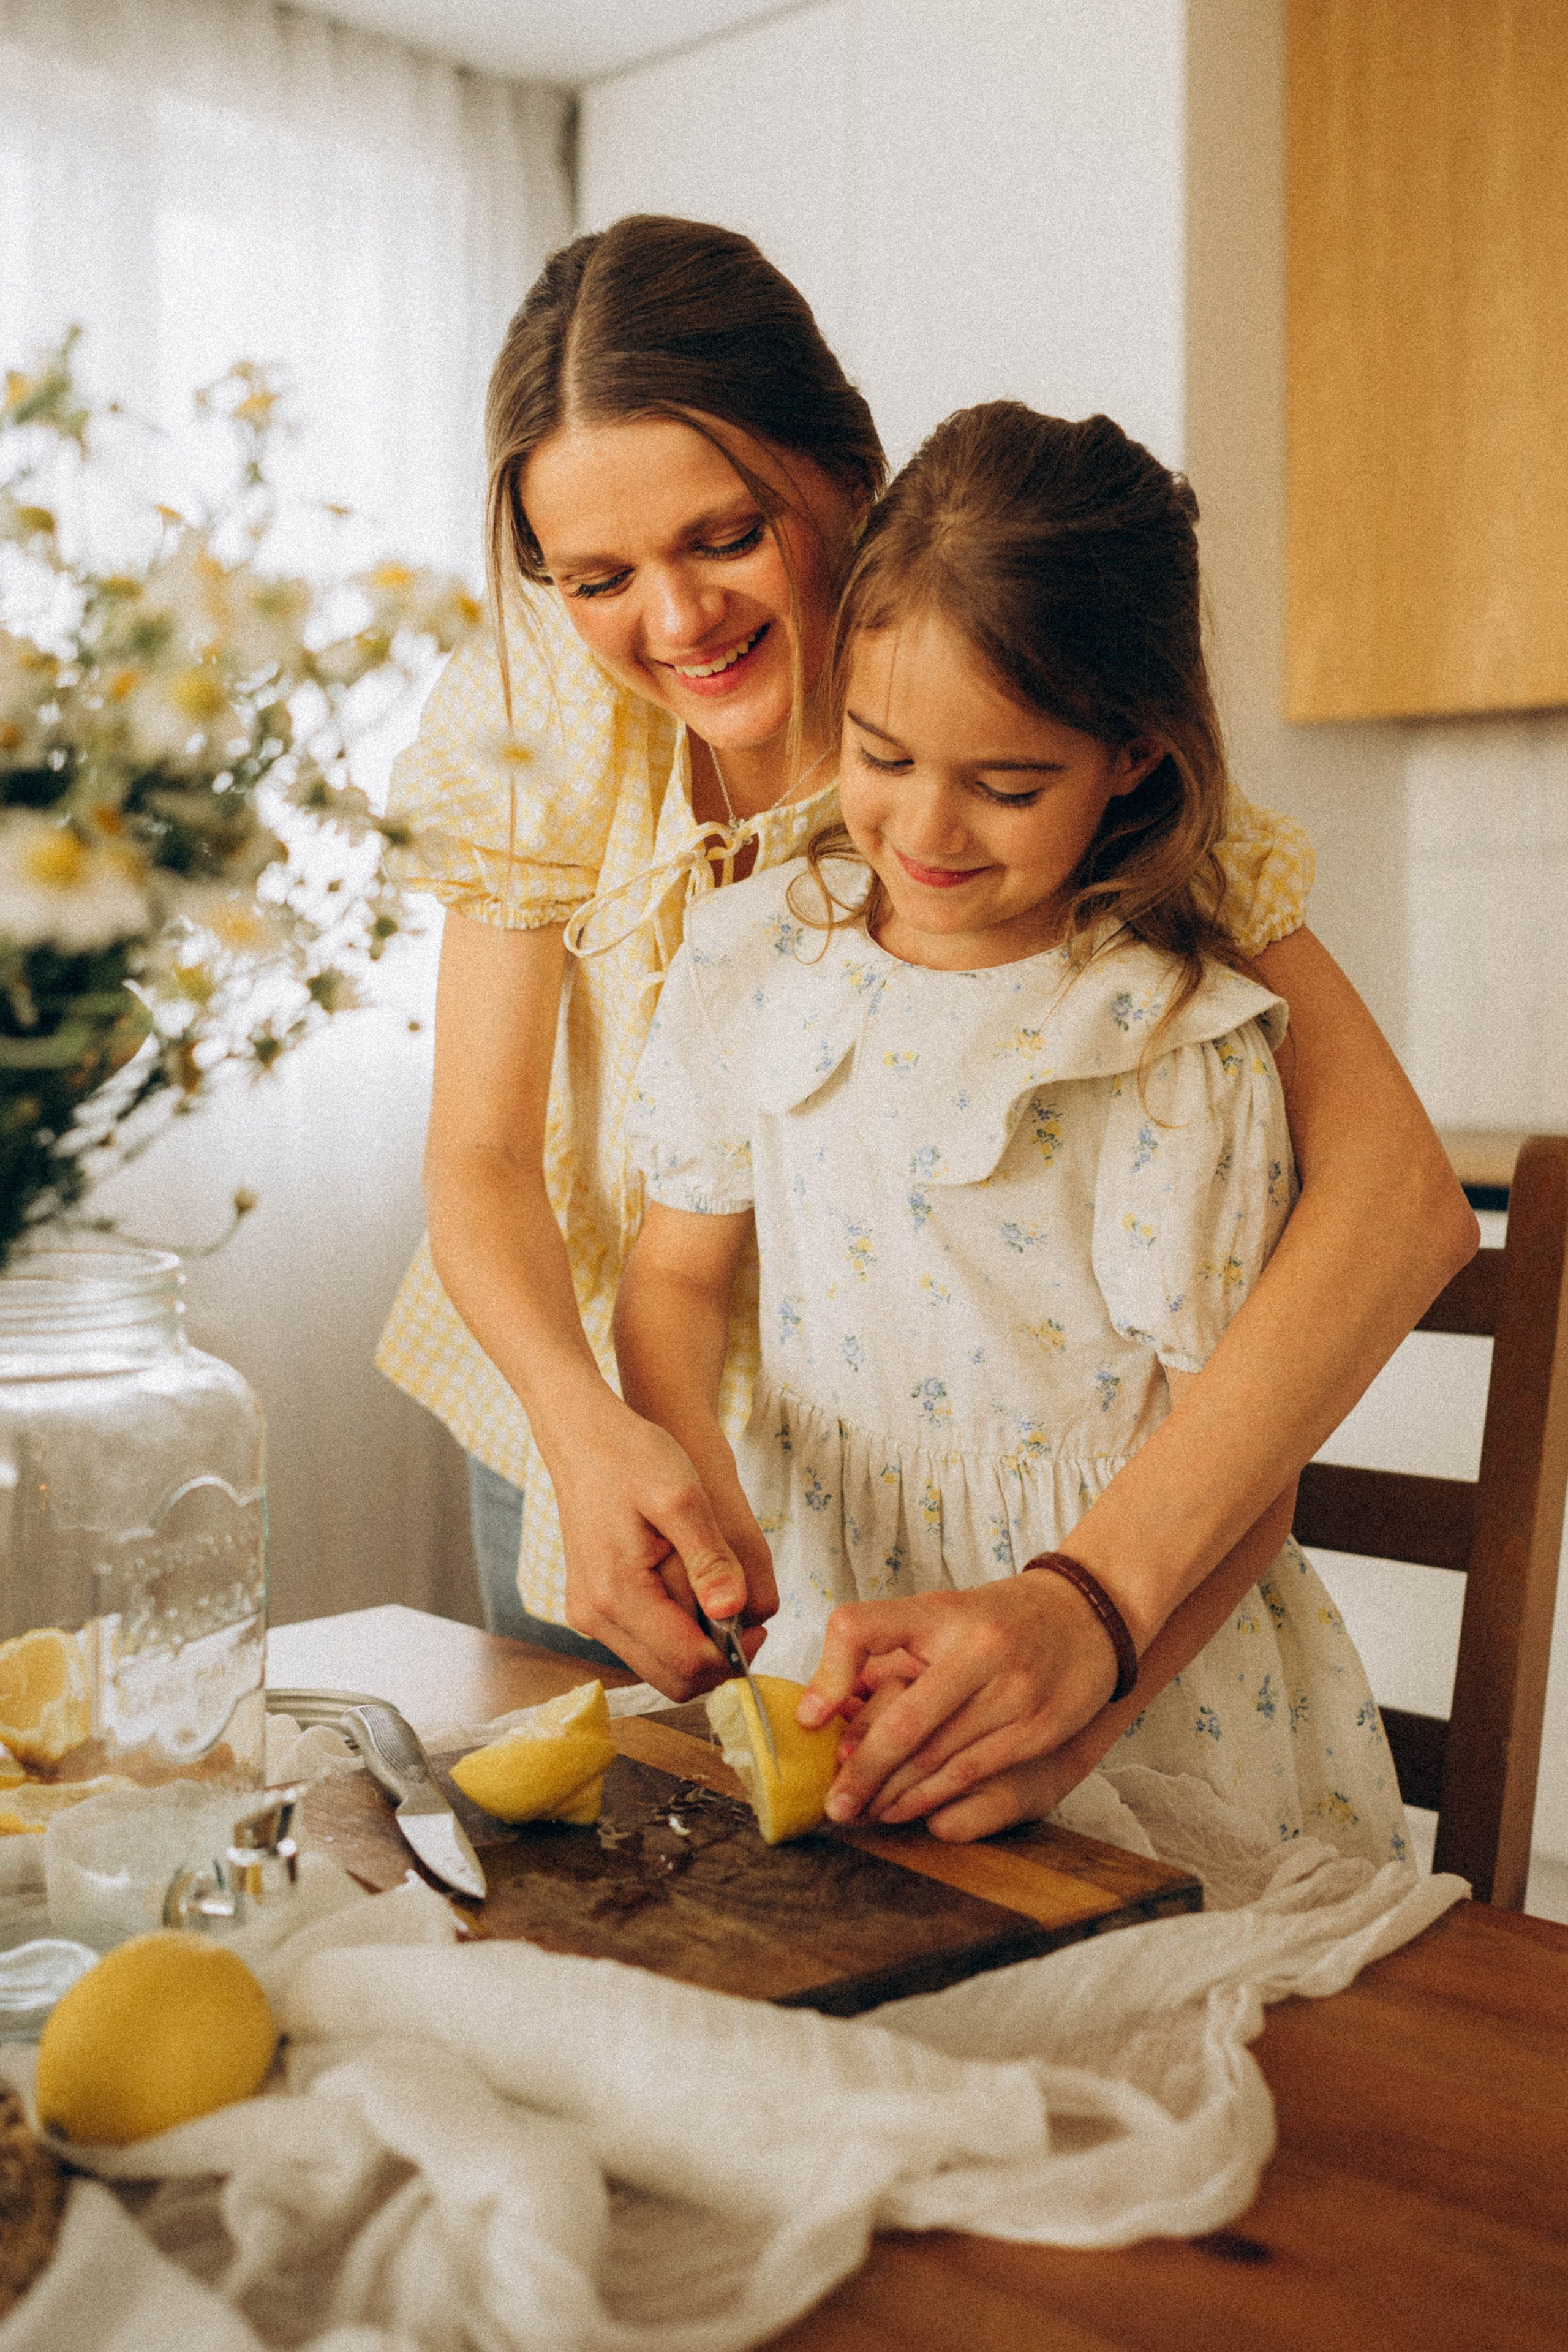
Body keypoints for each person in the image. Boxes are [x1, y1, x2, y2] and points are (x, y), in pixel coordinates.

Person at [377, 216, 1474, 1792]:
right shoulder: (537, 697)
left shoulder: (1007, 660)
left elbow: (1396, 1194)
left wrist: (1093, 1613)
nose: (673, 623)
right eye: (597, 576)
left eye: (726, 536)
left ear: (845, 472)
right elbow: (480, 1157)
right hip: (609, 1424)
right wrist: (585, 1416)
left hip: (981, 1518)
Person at [615, 402, 1410, 1862]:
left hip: (1139, 1701)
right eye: (880, 754)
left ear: (1131, 761)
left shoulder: (1169, 1040)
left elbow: (1242, 1460)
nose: (926, 830)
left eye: (1006, 785)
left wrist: (1086, 1703)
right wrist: (693, 1485)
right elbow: (671, 1277)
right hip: (829, 1655)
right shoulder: (747, 959)